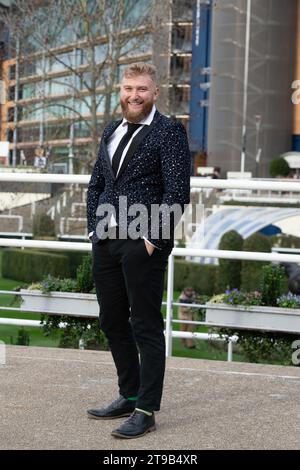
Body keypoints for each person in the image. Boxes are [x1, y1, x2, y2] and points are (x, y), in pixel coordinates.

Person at [86, 62, 191, 439]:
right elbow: (96, 184)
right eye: (129, 88)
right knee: (112, 321)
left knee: (145, 326)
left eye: (141, 89)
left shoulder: (168, 132)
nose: (134, 95)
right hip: (107, 241)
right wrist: (94, 230)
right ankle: (128, 394)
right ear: (121, 90)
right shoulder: (111, 130)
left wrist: (152, 241)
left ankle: (146, 410)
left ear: (155, 92)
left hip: (143, 244)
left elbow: (177, 193)